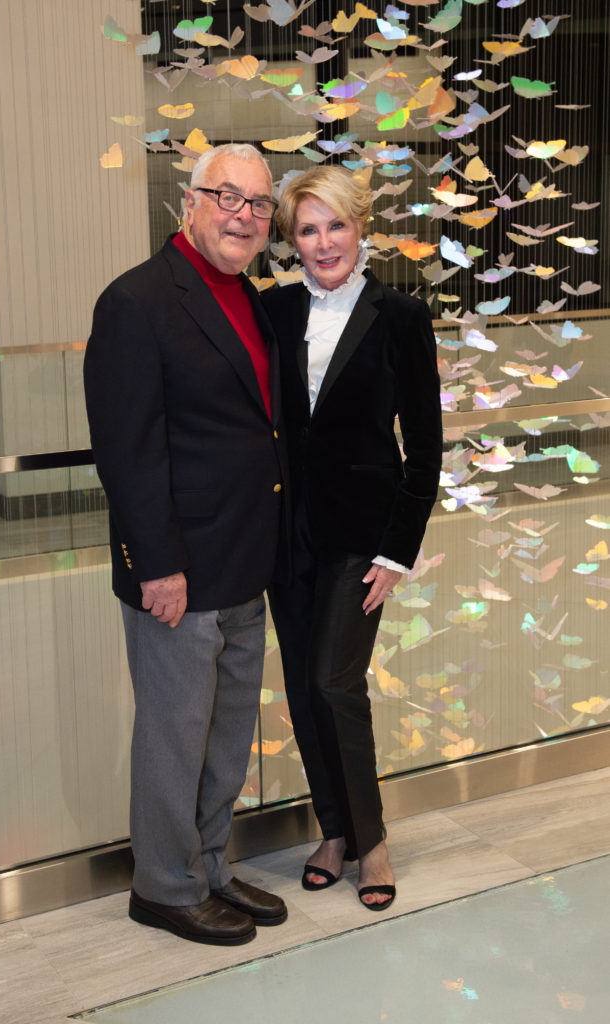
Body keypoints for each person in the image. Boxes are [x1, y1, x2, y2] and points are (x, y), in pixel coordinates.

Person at [84, 143, 288, 945]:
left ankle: (206, 864)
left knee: (227, 732)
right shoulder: (137, 301)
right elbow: (126, 448)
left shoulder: (252, 296)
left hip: (245, 556)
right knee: (174, 734)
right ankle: (163, 886)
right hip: (180, 568)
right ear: (190, 204)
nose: (244, 214)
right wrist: (155, 565)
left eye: (259, 203)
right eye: (227, 197)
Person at [263, 165, 442, 910]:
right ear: (293, 241)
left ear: (360, 227)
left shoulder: (401, 316)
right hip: (284, 536)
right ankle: (331, 830)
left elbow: (425, 449)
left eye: (335, 224)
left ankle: (370, 842)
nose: (324, 241)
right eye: (308, 229)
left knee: (337, 682)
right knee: (305, 687)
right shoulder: (271, 312)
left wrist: (397, 551)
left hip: (361, 538)